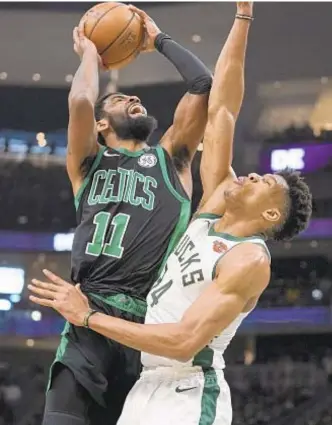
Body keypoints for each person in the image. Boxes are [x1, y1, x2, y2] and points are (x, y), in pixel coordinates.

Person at [30, 4, 313, 425]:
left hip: (176, 372)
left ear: (271, 211)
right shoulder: (203, 213)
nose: (253, 174)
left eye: (264, 182)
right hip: (133, 363)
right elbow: (223, 109)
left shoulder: (245, 254)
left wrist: (87, 314)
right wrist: (242, 15)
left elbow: (183, 341)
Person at [40, 5, 213, 425]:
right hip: (87, 321)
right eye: (120, 98)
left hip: (148, 329)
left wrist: (158, 40)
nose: (134, 97)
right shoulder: (87, 163)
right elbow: (81, 98)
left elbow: (203, 84)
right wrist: (89, 55)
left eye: (133, 96)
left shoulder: (172, 160)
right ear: (101, 125)